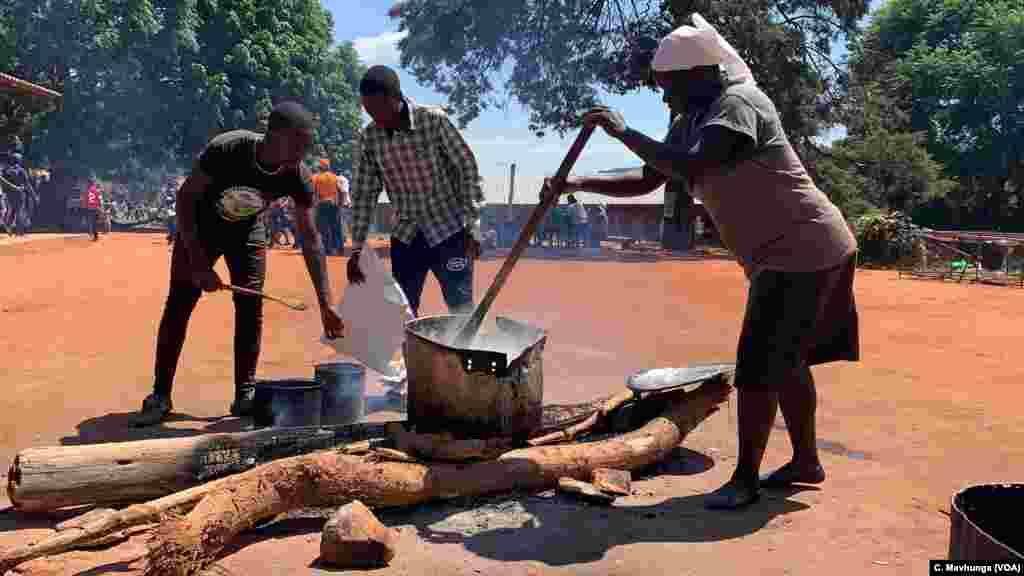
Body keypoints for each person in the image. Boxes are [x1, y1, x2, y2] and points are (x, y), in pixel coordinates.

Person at [543, 13, 859, 510]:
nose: (664, 97)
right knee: (788, 358)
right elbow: (651, 179)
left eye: (669, 86)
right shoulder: (689, 119)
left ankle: (745, 479)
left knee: (758, 364)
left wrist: (623, 131)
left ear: (701, 75)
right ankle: (806, 462)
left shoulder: (739, 105)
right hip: (787, 252)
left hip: (804, 247)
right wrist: (578, 185)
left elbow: (693, 166)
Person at [136, 101, 345, 426]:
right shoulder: (229, 149)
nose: (304, 153)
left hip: (247, 232)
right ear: (274, 135)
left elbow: (310, 237)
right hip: (200, 229)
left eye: (307, 145)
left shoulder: (297, 175)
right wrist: (199, 262)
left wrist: (326, 303)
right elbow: (186, 199)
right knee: (180, 303)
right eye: (299, 144)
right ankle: (160, 395)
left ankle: (244, 393)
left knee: (250, 305)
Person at [347, 65, 485, 319]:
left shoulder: (433, 120)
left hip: (450, 231)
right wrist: (357, 248)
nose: (375, 118)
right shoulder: (369, 138)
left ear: (396, 97)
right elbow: (363, 195)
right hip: (407, 235)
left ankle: (466, 354)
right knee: (403, 311)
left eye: (379, 110)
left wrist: (473, 222)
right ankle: (414, 358)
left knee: (460, 306)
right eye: (369, 112)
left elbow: (466, 167)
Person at [311, 158, 345, 255]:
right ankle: (340, 249)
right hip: (334, 204)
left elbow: (313, 192)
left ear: (320, 167)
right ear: (329, 167)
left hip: (322, 204)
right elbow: (341, 191)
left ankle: (328, 250)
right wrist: (340, 204)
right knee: (336, 227)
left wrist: (314, 205)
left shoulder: (316, 178)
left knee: (324, 228)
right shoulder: (336, 177)